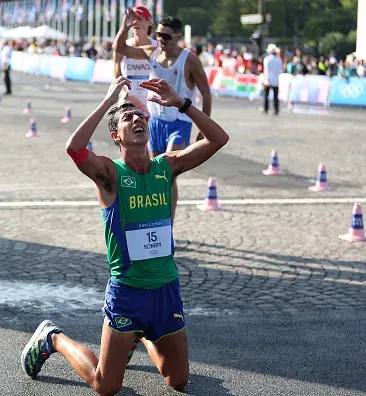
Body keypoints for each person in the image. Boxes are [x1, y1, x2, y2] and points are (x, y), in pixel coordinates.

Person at [21, 76, 228, 394]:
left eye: (140, 116)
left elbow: (219, 139)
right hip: (129, 292)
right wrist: (108, 101)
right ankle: (54, 338)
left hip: (166, 289)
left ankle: (141, 333)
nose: (137, 119)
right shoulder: (110, 174)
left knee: (179, 380)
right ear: (115, 135)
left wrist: (182, 104)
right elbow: (74, 148)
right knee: (106, 386)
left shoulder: (166, 167)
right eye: (127, 118)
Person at [112, 11, 212, 246]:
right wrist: (125, 27)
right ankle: (155, 223)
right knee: (155, 174)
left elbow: (206, 93)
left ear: (178, 37)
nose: (160, 41)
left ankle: (169, 227)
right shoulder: (152, 52)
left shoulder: (190, 60)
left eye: (166, 37)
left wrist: (204, 125)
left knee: (169, 173)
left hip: (180, 122)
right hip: (154, 122)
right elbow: (119, 48)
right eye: (157, 35)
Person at [113, 5, 157, 117]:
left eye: (139, 18)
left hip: (151, 103)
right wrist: (126, 94)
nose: (135, 22)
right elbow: (116, 74)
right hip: (128, 103)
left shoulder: (157, 47)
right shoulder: (121, 47)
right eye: (133, 18)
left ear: (149, 21)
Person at [262, 44, 282, 115]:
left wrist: (267, 79)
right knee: (275, 96)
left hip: (268, 80)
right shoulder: (279, 60)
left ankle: (266, 108)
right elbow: (280, 71)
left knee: (266, 95)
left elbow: (266, 70)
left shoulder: (267, 59)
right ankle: (276, 109)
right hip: (276, 80)